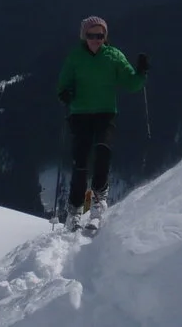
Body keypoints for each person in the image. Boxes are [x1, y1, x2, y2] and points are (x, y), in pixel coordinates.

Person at [56, 15, 148, 230]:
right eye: (91, 35)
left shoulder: (113, 56)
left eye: (100, 35)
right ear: (84, 36)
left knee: (103, 151)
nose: (96, 39)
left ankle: (98, 202)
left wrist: (141, 72)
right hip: (80, 115)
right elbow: (63, 83)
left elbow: (131, 83)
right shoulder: (75, 58)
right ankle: (76, 210)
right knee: (80, 163)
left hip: (105, 114)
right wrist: (65, 93)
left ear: (105, 36)